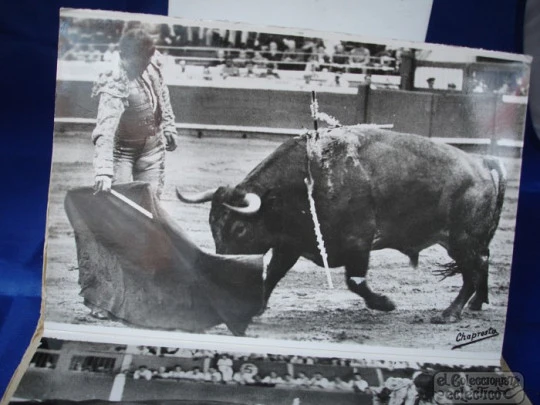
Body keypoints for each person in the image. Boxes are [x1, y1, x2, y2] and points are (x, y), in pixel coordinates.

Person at [91, 28, 178, 199]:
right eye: (137, 64)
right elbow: (105, 129)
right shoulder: (114, 79)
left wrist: (169, 125)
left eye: (144, 63)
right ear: (124, 55)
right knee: (120, 205)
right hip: (122, 151)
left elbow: (161, 92)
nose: (141, 68)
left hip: (153, 148)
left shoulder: (151, 62)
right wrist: (103, 170)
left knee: (150, 205)